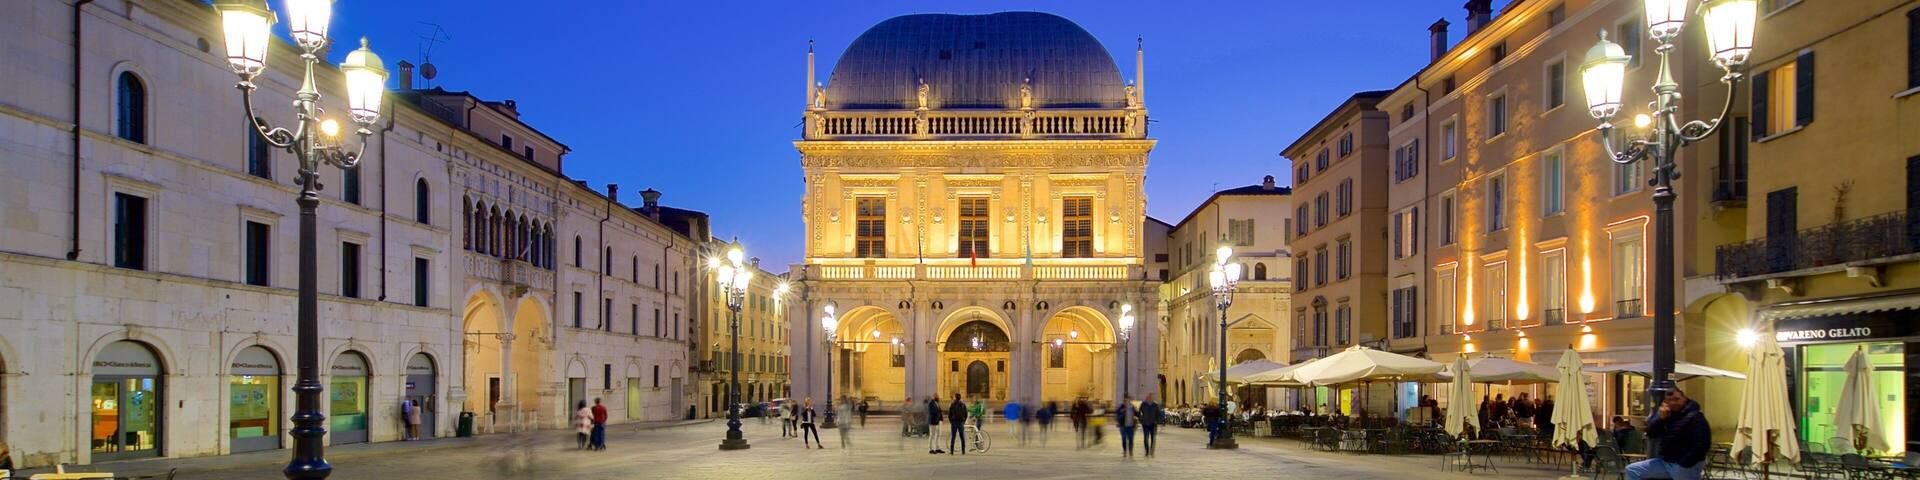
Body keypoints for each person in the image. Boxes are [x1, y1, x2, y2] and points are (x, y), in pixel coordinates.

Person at [1626, 389, 1711, 480]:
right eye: (1669, 400)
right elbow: (1651, 434)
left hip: (1683, 464)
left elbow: (1702, 444)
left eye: (1676, 399)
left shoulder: (1695, 417)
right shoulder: (1668, 415)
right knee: (1633, 470)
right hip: (1666, 461)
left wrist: (1685, 463)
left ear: (1684, 398)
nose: (1673, 402)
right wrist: (1660, 419)